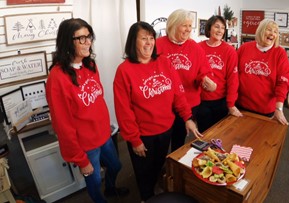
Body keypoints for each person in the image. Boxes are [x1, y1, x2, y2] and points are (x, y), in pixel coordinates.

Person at [113, 21, 202, 202]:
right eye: (143, 38)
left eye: (151, 38)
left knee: (158, 164)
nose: (149, 42)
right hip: (142, 134)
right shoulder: (124, 71)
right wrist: (134, 139)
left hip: (165, 129)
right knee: (143, 171)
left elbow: (178, 93)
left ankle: (154, 192)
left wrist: (187, 117)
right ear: (133, 42)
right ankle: (146, 197)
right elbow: (123, 111)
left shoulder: (164, 62)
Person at [45, 18, 128, 203]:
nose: (88, 42)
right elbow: (62, 125)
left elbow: (96, 101)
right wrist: (80, 159)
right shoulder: (57, 78)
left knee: (116, 166)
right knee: (94, 180)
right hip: (85, 145)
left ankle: (111, 189)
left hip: (104, 134)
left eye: (89, 36)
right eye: (81, 38)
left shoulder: (90, 65)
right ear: (68, 41)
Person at [156, 9, 217, 151]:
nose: (188, 29)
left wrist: (207, 81)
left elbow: (204, 71)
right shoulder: (158, 45)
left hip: (189, 102)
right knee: (162, 140)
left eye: (190, 26)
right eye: (184, 25)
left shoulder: (195, 47)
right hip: (164, 104)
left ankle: (173, 167)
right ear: (173, 25)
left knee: (179, 138)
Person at [236, 18, 289, 125]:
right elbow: (234, 74)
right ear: (261, 30)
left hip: (265, 110)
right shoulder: (244, 48)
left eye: (275, 32)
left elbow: (283, 82)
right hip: (241, 105)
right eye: (269, 30)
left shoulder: (280, 53)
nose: (272, 34)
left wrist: (279, 109)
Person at [197, 15, 242, 132]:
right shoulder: (198, 47)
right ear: (209, 29)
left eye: (222, 28)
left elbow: (233, 79)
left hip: (220, 101)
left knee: (219, 135)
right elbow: (193, 73)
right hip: (201, 101)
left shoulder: (229, 51)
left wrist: (231, 104)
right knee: (204, 135)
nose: (220, 30)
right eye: (217, 27)